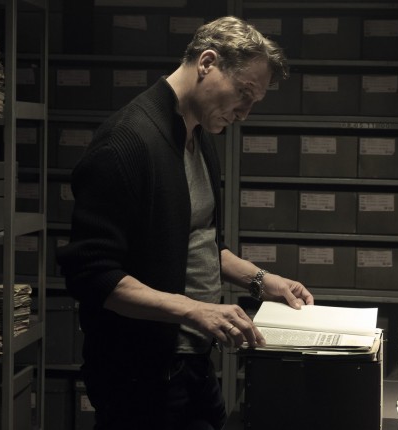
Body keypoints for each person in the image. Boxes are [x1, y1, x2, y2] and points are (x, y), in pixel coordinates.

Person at [56, 16, 314, 430]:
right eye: (243, 94)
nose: (244, 113)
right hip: (140, 375)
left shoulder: (196, 136)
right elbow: (92, 274)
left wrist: (262, 281)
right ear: (207, 63)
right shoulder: (126, 141)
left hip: (192, 360)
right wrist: (195, 310)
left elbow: (198, 241)